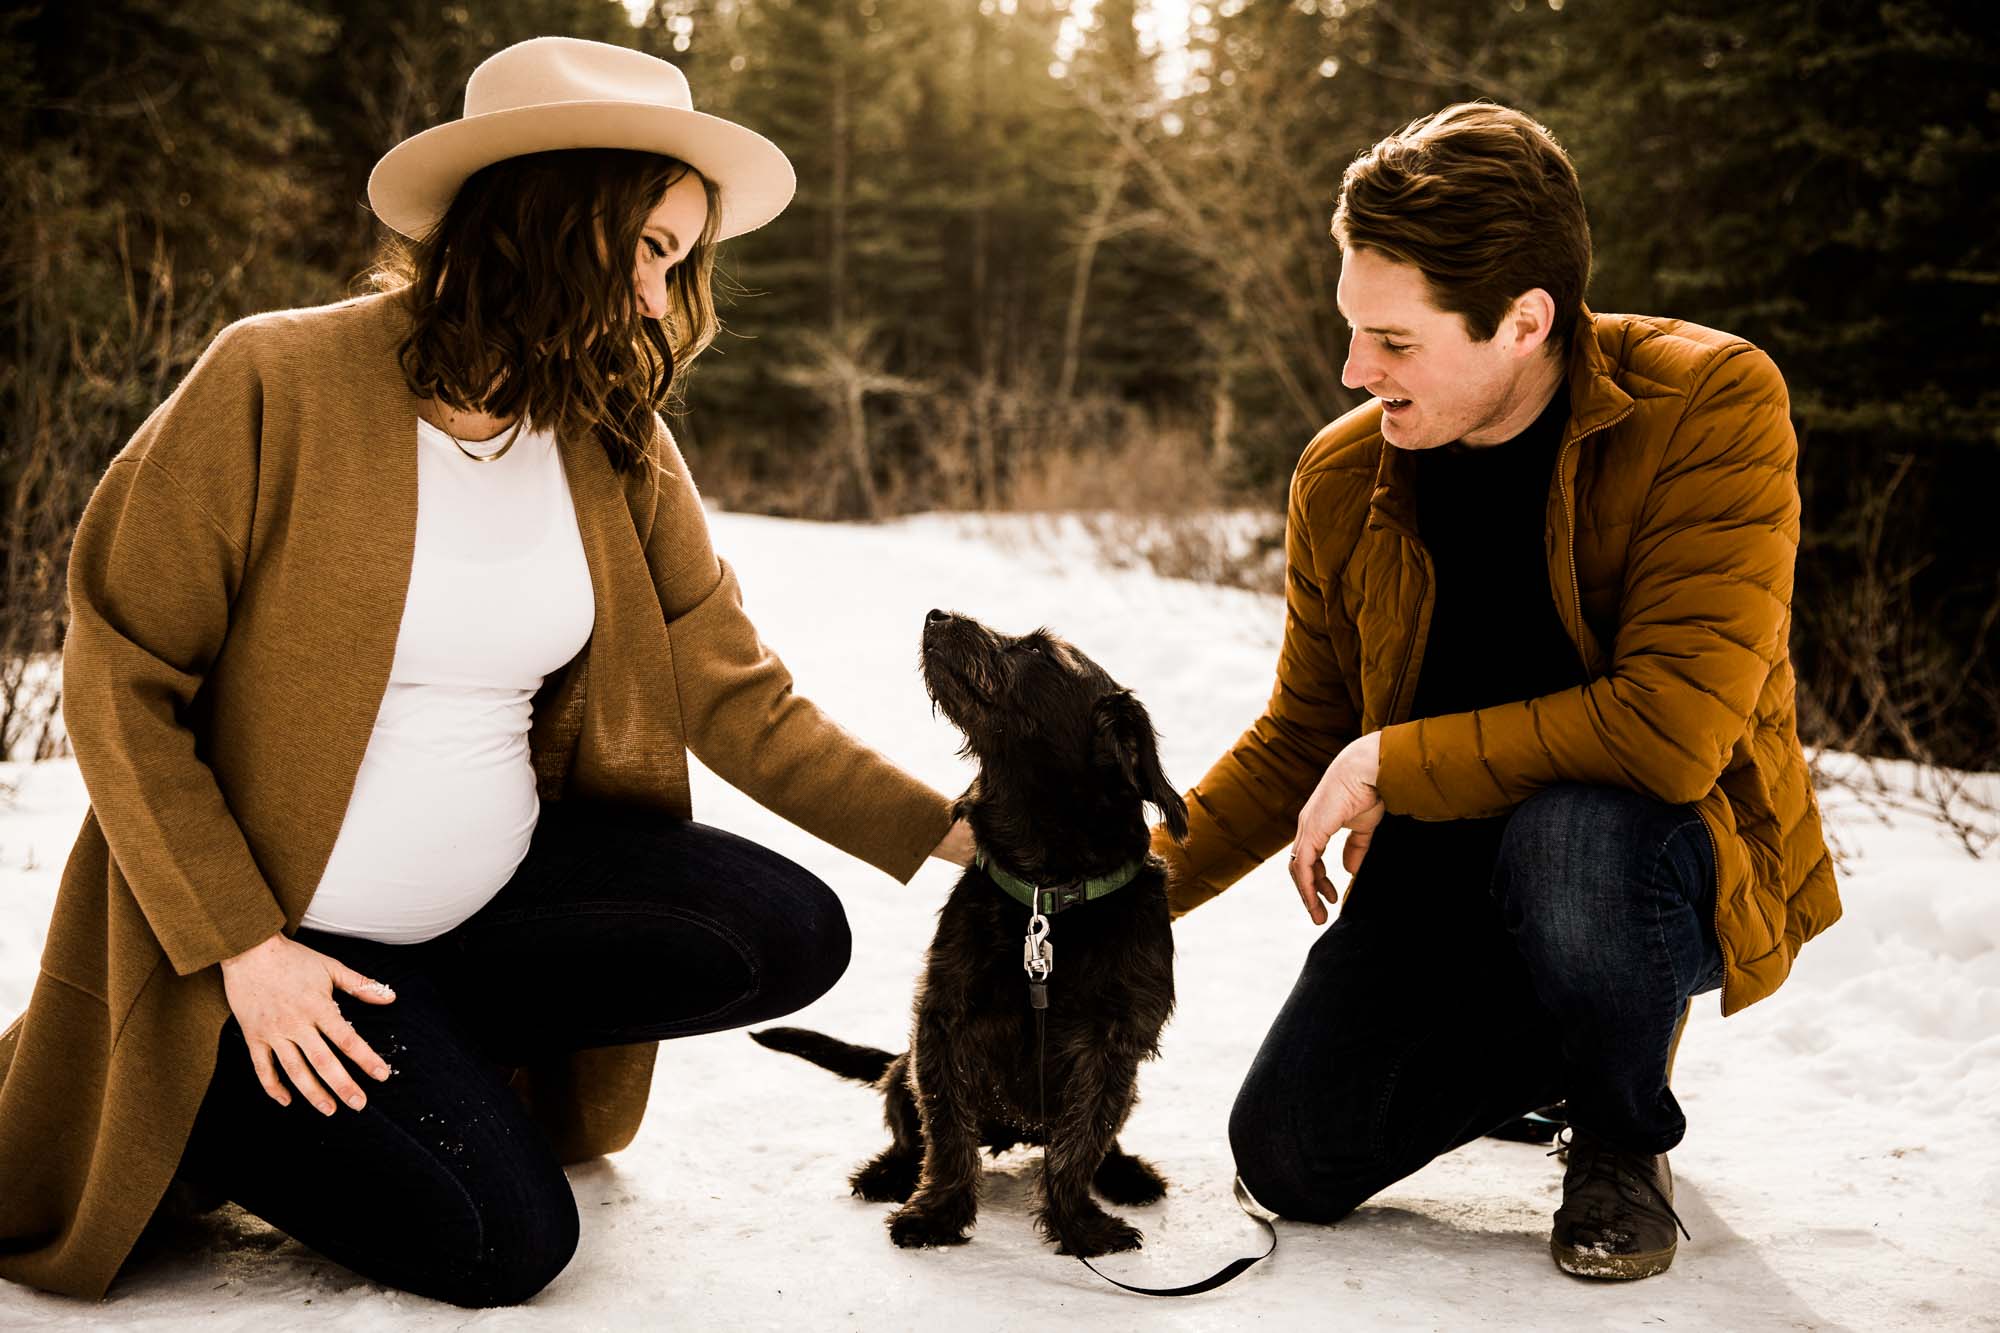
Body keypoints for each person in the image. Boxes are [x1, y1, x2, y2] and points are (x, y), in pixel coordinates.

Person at [0, 36, 972, 1307]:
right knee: (510, 1245)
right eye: (650, 253)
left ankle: (433, 1044)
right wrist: (246, 947)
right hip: (269, 961)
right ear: (546, 219)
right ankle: (204, 1099)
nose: (662, 306)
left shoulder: (611, 434)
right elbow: (120, 681)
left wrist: (957, 831)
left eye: (681, 266)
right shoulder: (271, 381)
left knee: (786, 930)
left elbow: (734, 690)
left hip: (484, 915)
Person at [1151, 103, 1841, 1281]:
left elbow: (1669, 731)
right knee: (1288, 1159)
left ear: (1523, 320)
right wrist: (1114, 896)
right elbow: (1305, 732)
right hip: (1438, 865)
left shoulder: (1709, 406)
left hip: (1647, 860)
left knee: (1568, 844)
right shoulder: (1343, 469)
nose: (1353, 370)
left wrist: (1389, 763)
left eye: (1394, 342)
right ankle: (1559, 1039)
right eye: (1350, 330)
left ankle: (1619, 1139)